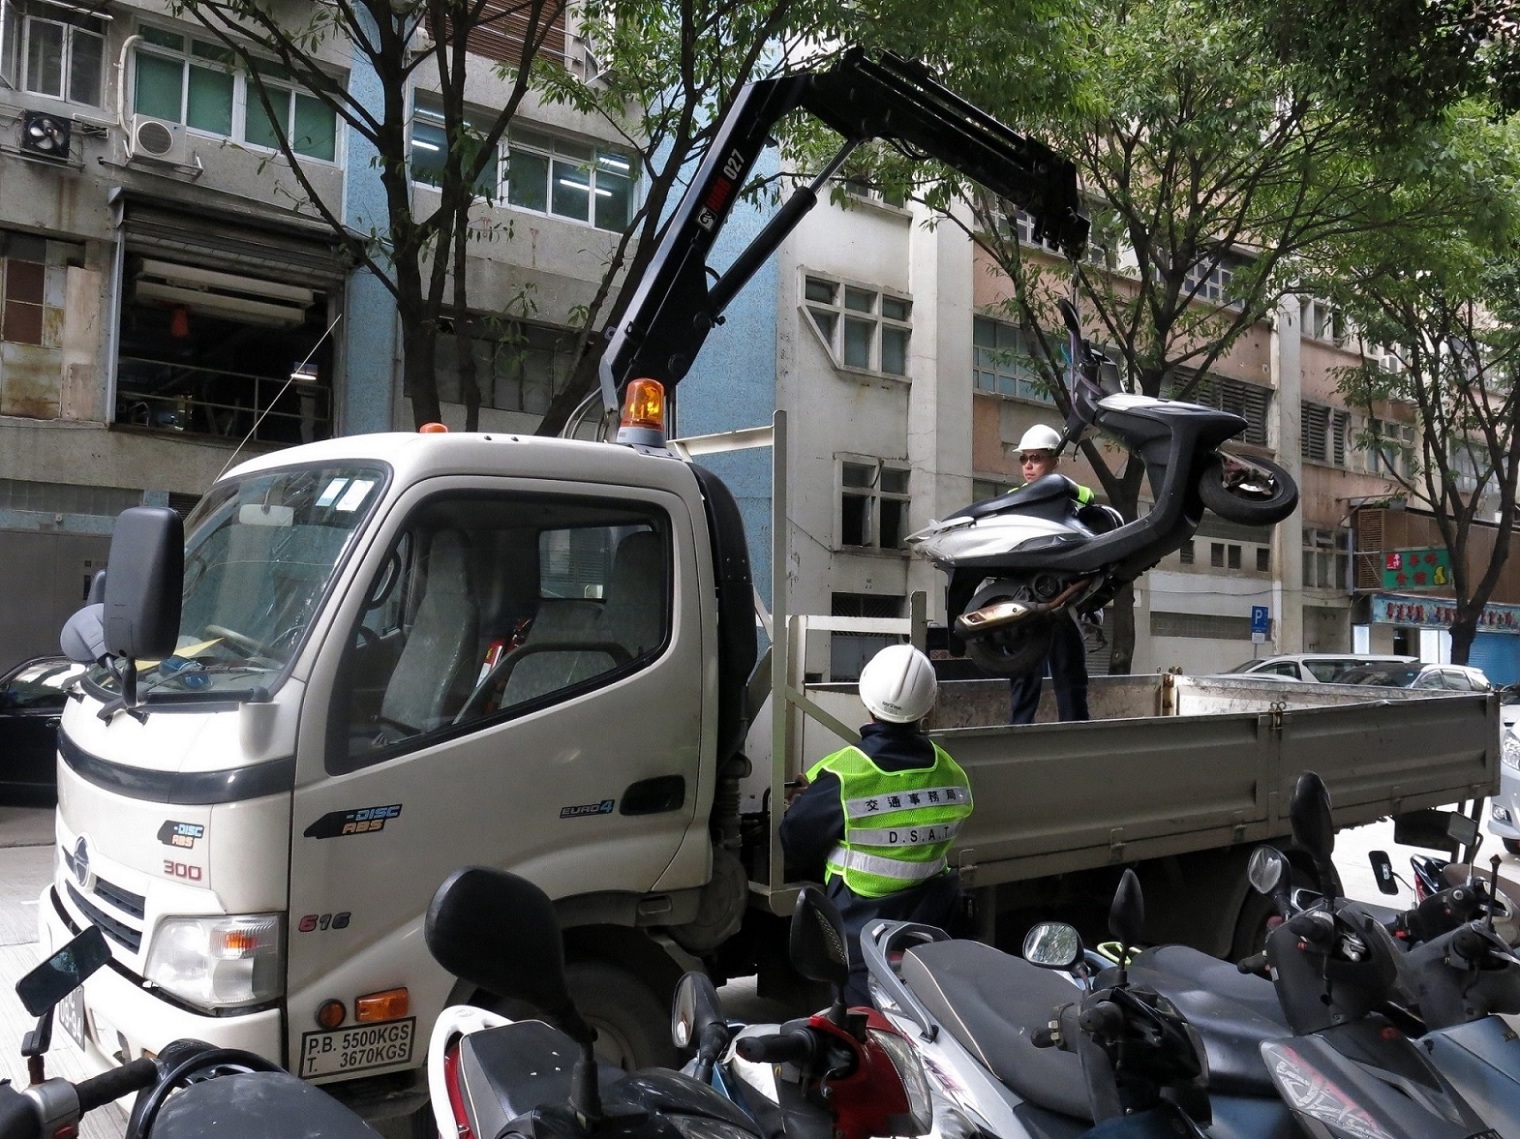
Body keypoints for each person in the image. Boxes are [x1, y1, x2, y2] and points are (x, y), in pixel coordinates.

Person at [780, 644, 974, 1005]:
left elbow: (795, 843)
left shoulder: (846, 774)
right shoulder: (951, 772)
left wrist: (804, 803)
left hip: (864, 935)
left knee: (864, 1027)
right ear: (929, 706)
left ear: (866, 700)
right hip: (932, 926)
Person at [1008, 424, 1093, 724]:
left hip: (1061, 597)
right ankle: (1018, 735)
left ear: (1055, 460)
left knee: (1070, 674)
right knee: (1023, 674)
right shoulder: (1012, 499)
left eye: (1037, 458)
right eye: (1024, 458)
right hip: (1026, 598)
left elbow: (1090, 516)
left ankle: (1077, 735)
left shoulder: (1076, 494)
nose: (1028, 465)